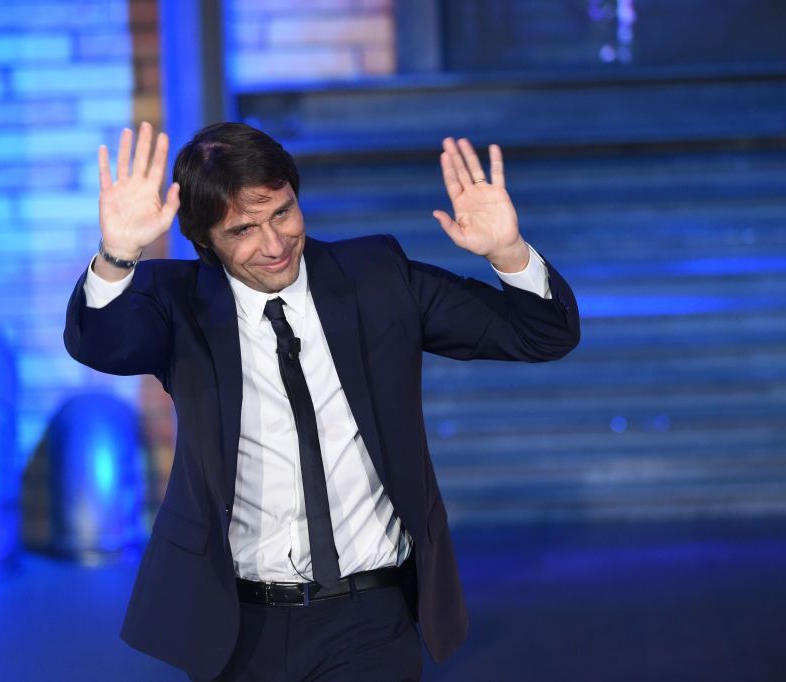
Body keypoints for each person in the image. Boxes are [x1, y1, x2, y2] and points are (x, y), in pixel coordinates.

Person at [64, 121, 579, 680]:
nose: (274, 244)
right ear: (205, 242)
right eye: (243, 230)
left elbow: (542, 335)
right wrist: (117, 255)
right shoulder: (178, 302)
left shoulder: (376, 277)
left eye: (282, 213)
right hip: (235, 624)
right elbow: (100, 342)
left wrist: (507, 251)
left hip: (368, 617)